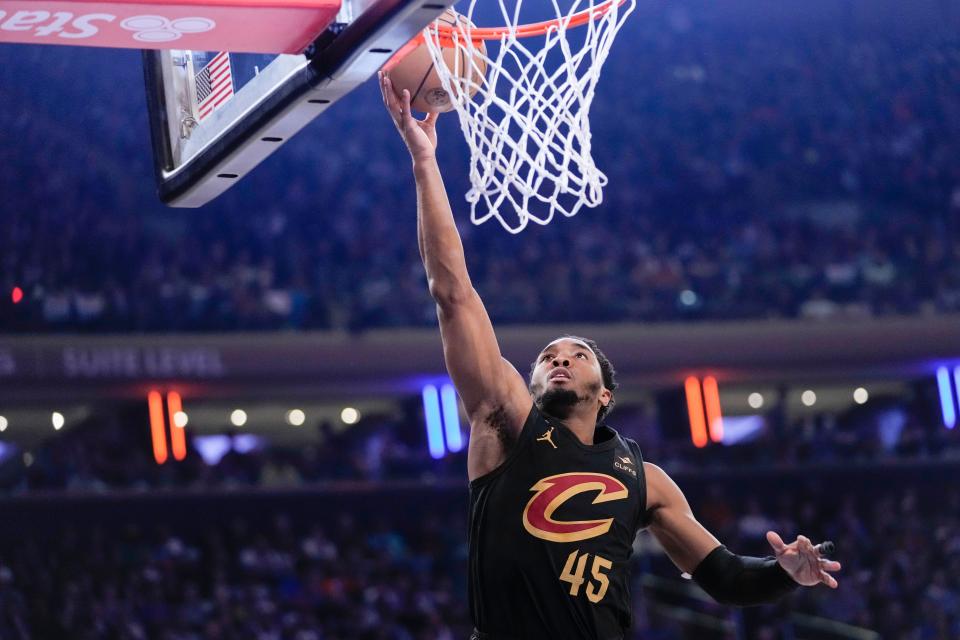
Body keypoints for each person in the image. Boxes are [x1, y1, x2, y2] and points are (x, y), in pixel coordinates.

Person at [379, 72, 841, 640]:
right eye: (548, 356)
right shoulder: (504, 420)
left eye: (578, 355)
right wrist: (425, 163)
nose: (560, 359)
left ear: (606, 393)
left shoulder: (644, 479)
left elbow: (724, 579)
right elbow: (452, 294)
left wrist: (785, 573)